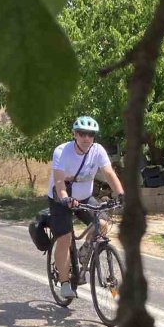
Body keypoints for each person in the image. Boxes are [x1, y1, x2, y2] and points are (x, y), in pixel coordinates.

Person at [48, 116, 125, 299]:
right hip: (61, 199)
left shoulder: (97, 151)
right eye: (82, 133)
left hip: (84, 197)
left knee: (104, 223)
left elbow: (108, 172)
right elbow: (59, 181)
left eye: (90, 134)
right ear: (74, 134)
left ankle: (85, 251)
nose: (86, 138)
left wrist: (122, 195)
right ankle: (65, 283)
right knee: (65, 238)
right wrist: (65, 198)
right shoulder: (62, 151)